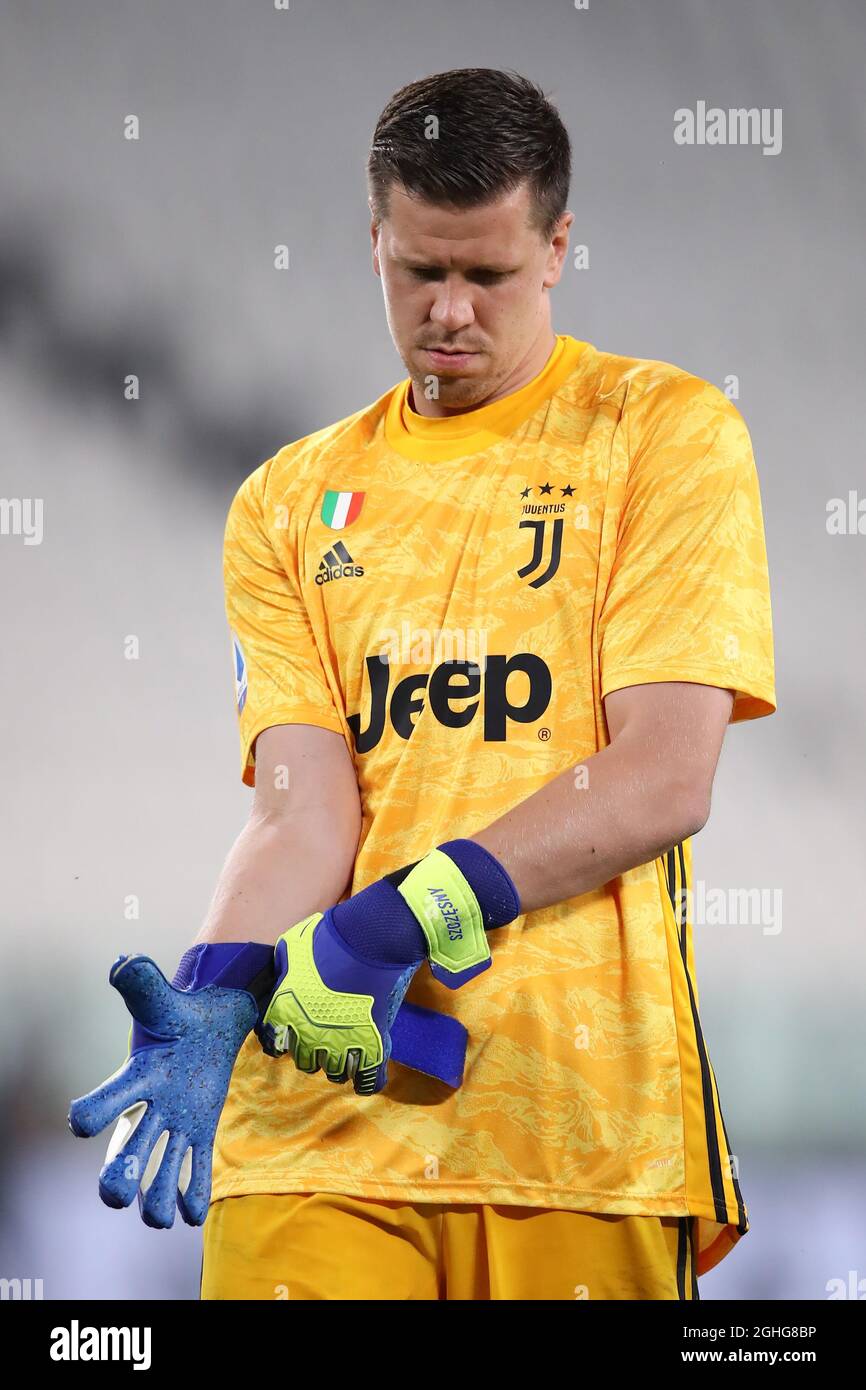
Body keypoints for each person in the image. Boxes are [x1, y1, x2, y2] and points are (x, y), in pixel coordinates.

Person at [71, 67, 775, 1301]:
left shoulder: (659, 433)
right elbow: (301, 812)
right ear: (376, 245)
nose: (448, 310)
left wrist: (384, 924)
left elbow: (663, 774)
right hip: (318, 1115)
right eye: (417, 271)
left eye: (487, 276)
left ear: (556, 248)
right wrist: (217, 983)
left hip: (570, 1133)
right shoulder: (287, 500)